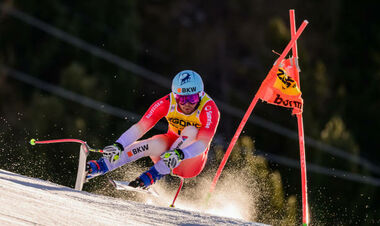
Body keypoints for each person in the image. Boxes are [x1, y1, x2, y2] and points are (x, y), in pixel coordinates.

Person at [86, 70, 220, 189]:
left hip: (190, 161)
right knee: (153, 143)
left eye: (192, 98)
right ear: (175, 96)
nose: (187, 104)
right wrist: (119, 144)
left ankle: (152, 175)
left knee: (191, 131)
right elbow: (140, 127)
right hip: (166, 152)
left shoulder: (209, 109)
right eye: (182, 99)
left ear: (201, 95)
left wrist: (180, 154)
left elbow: (203, 144)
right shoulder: (167, 103)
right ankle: (100, 166)